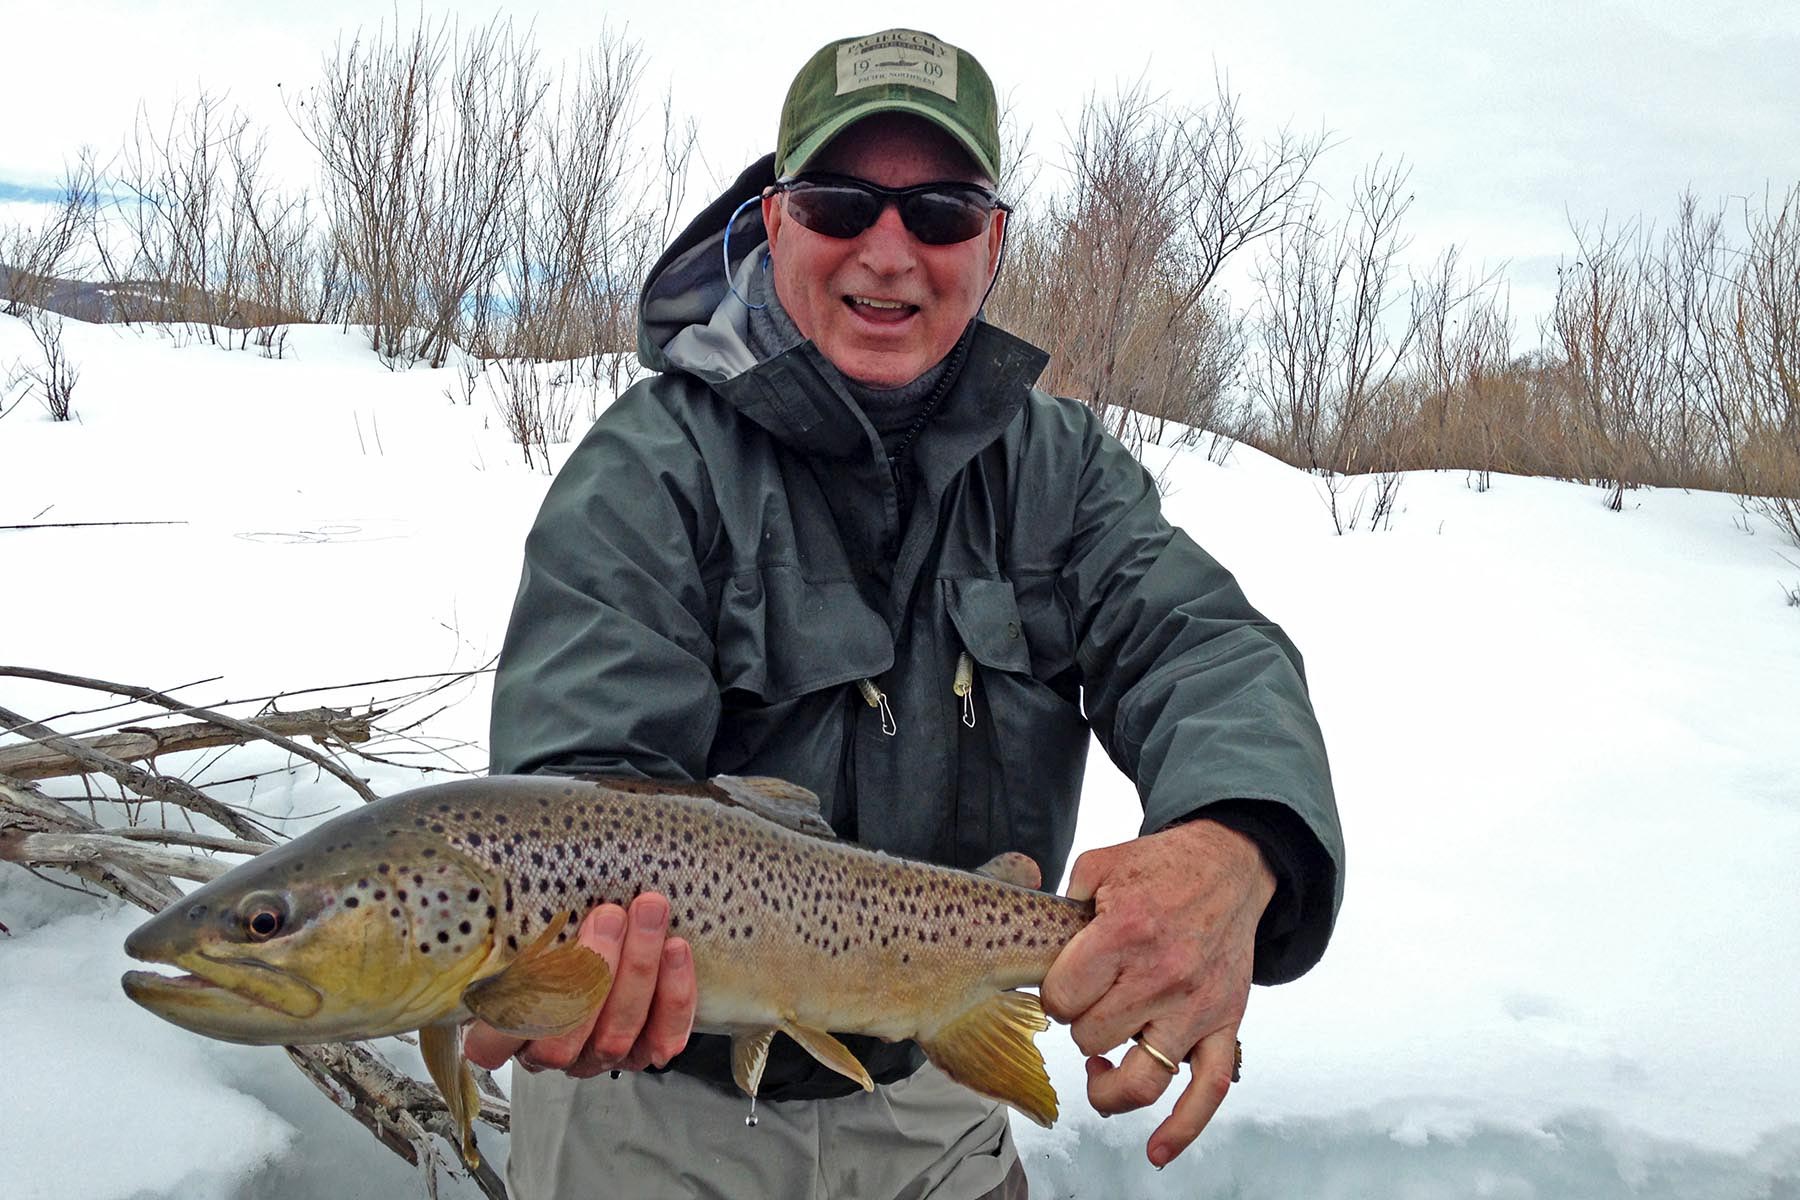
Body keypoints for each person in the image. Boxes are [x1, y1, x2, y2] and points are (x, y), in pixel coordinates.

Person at [471, 27, 1343, 1200]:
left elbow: (1203, 648)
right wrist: (576, 955)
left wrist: (1243, 842)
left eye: (937, 212)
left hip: (937, 1101)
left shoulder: (1065, 471)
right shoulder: (648, 468)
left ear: (991, 244)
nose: (888, 251)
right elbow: (575, 784)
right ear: (774, 219)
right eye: (840, 203)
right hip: (649, 1118)